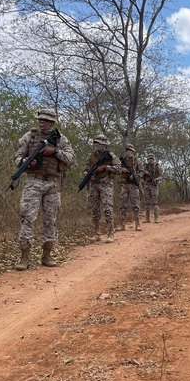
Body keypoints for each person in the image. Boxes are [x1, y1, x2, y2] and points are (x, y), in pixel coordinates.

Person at [13, 108, 75, 271]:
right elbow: (17, 158)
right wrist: (27, 162)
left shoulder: (61, 140)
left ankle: (47, 255)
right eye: (40, 120)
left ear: (52, 123)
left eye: (46, 121)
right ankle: (24, 256)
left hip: (53, 184)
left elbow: (71, 159)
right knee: (27, 218)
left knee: (50, 220)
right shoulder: (29, 137)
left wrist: (55, 151)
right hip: (33, 181)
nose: (43, 123)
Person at [82, 134, 122, 243]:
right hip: (94, 185)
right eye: (97, 143)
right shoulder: (91, 156)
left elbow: (119, 169)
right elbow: (85, 169)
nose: (98, 145)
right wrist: (88, 176)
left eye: (100, 143)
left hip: (106, 184)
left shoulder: (111, 156)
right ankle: (96, 234)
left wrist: (106, 167)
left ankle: (110, 234)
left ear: (105, 145)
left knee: (107, 209)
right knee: (95, 210)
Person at [117, 144, 142, 232]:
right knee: (122, 205)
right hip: (124, 184)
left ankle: (137, 224)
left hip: (133, 185)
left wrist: (136, 176)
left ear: (133, 151)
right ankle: (122, 225)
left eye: (131, 150)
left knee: (135, 205)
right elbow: (117, 170)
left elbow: (142, 171)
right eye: (128, 150)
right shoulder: (121, 161)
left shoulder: (137, 161)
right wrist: (121, 170)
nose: (129, 152)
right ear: (126, 151)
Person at [142, 153, 162, 223]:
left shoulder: (157, 167)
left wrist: (156, 179)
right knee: (146, 203)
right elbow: (141, 175)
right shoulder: (145, 166)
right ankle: (147, 219)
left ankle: (156, 219)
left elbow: (161, 176)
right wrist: (145, 173)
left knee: (155, 203)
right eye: (149, 159)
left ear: (154, 159)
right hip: (146, 185)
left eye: (151, 159)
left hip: (154, 186)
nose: (150, 160)